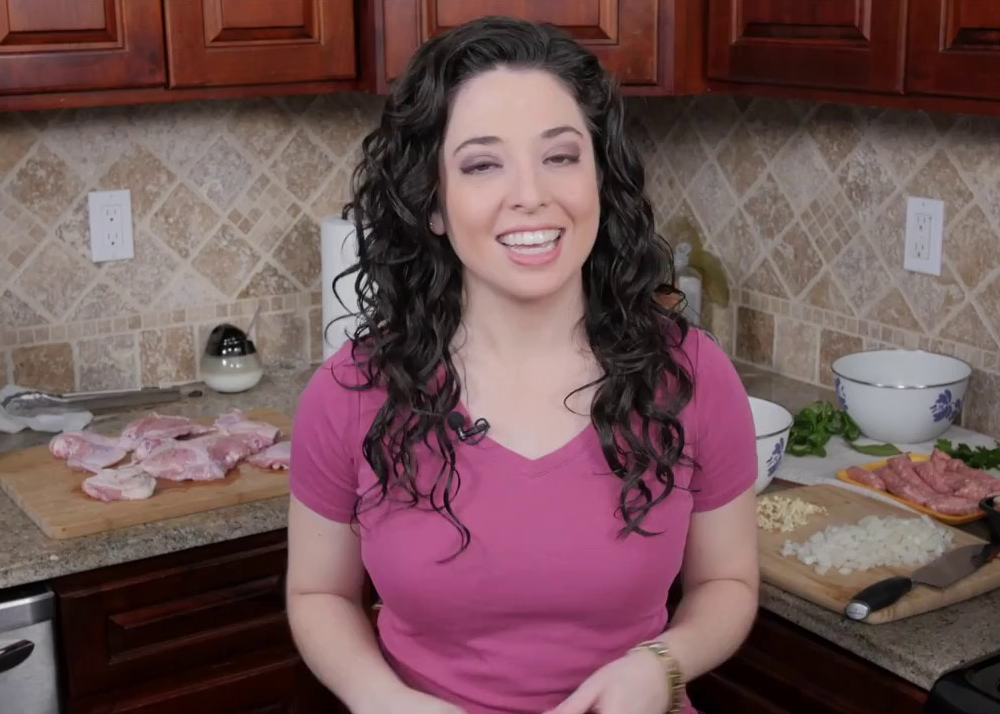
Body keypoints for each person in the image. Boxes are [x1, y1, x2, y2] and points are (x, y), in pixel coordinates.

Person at [286, 15, 759, 714]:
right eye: (483, 164)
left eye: (560, 156)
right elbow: (317, 592)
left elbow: (729, 583)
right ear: (433, 203)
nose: (531, 193)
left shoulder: (690, 373)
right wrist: (381, 699)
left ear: (599, 177)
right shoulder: (352, 391)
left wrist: (661, 665)